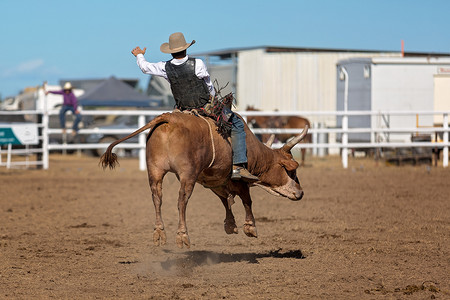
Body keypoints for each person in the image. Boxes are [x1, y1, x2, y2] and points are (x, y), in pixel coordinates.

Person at [131, 32, 258, 183]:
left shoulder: (165, 67)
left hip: (182, 108)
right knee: (236, 123)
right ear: (185, 49)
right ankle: (237, 166)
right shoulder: (197, 64)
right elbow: (208, 85)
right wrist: (214, 99)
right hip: (204, 106)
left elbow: (145, 68)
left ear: (171, 51)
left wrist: (139, 55)